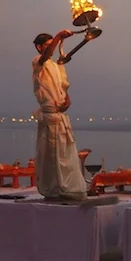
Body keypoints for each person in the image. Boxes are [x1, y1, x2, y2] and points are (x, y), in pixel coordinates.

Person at [31, 31, 86, 202]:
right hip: (49, 117)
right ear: (40, 47)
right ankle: (54, 189)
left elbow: (63, 87)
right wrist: (58, 37)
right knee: (52, 154)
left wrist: (67, 100)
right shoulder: (37, 62)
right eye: (47, 45)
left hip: (61, 116)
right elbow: (46, 56)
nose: (51, 48)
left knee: (66, 153)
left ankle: (70, 187)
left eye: (51, 44)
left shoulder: (57, 65)